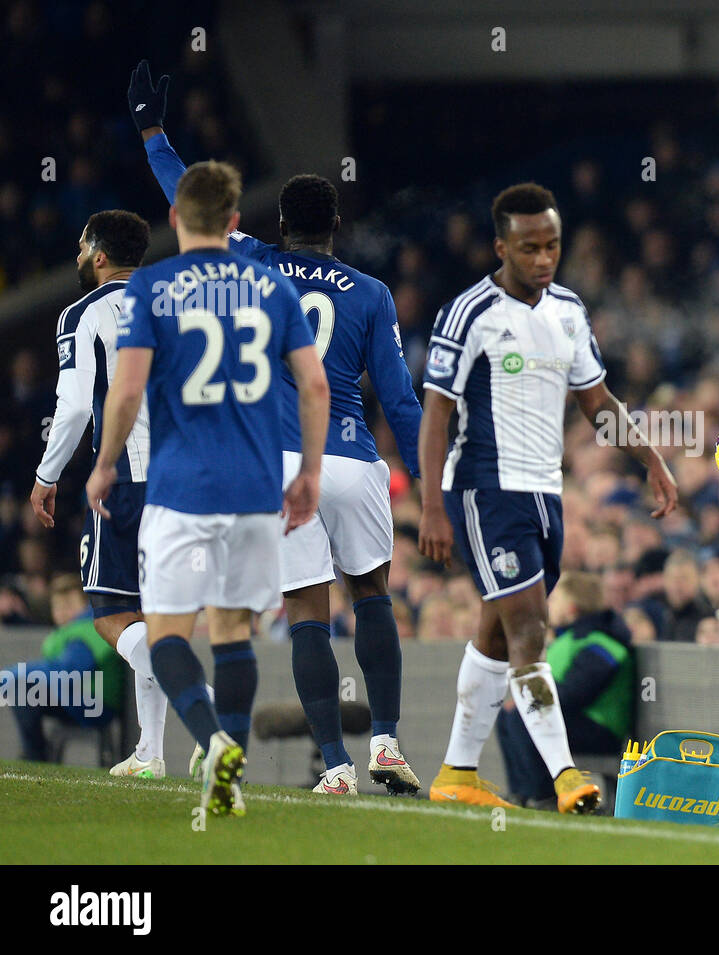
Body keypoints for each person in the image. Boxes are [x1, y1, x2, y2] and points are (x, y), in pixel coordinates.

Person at [129, 61, 425, 796]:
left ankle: (334, 764)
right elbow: (400, 398)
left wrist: (152, 131)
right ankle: (387, 737)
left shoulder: (255, 266)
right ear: (335, 228)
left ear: (279, 225)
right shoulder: (372, 291)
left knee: (307, 615)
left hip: (285, 465)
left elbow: (186, 196)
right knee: (374, 594)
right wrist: (431, 487)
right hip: (355, 460)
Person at [416, 182, 677, 813]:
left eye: (552, 245)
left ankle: (456, 772)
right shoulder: (469, 312)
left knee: (498, 636)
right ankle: (566, 778)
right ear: (500, 246)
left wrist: (651, 458)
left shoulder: (567, 310)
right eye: (529, 247)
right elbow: (435, 417)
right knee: (530, 627)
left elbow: (597, 403)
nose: (543, 258)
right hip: (484, 490)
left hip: (545, 494)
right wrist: (430, 506)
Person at [85, 159, 330, 816]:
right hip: (254, 490)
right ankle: (232, 769)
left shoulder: (154, 288)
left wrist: (106, 460)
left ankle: (215, 741)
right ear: (233, 221)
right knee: (232, 633)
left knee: (166, 636)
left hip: (181, 488)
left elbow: (129, 388)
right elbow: (315, 385)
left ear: (173, 219)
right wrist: (308, 471)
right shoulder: (272, 286)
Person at [28, 209, 174, 778]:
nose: (78, 255)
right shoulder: (180, 302)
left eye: (82, 246)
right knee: (156, 613)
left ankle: (194, 693)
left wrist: (46, 476)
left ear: (100, 255)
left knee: (112, 613)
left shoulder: (83, 313)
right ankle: (152, 751)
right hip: (189, 478)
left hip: (125, 478)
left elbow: (71, 407)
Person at [495, 572, 633, 805]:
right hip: (571, 719)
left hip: (599, 730)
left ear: (572, 607)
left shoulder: (602, 644)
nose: (548, 605)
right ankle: (521, 792)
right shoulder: (567, 640)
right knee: (508, 716)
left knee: (521, 717)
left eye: (555, 598)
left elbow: (577, 692)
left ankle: (544, 795)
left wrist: (531, 701)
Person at [3, 574, 124, 762]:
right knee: (21, 690)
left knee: (20, 687)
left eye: (69, 605)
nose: (63, 611)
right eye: (58, 606)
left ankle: (35, 756)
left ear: (85, 605)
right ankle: (34, 753)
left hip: (94, 703)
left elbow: (69, 671)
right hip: (77, 698)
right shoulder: (70, 631)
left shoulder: (88, 629)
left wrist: (18, 673)